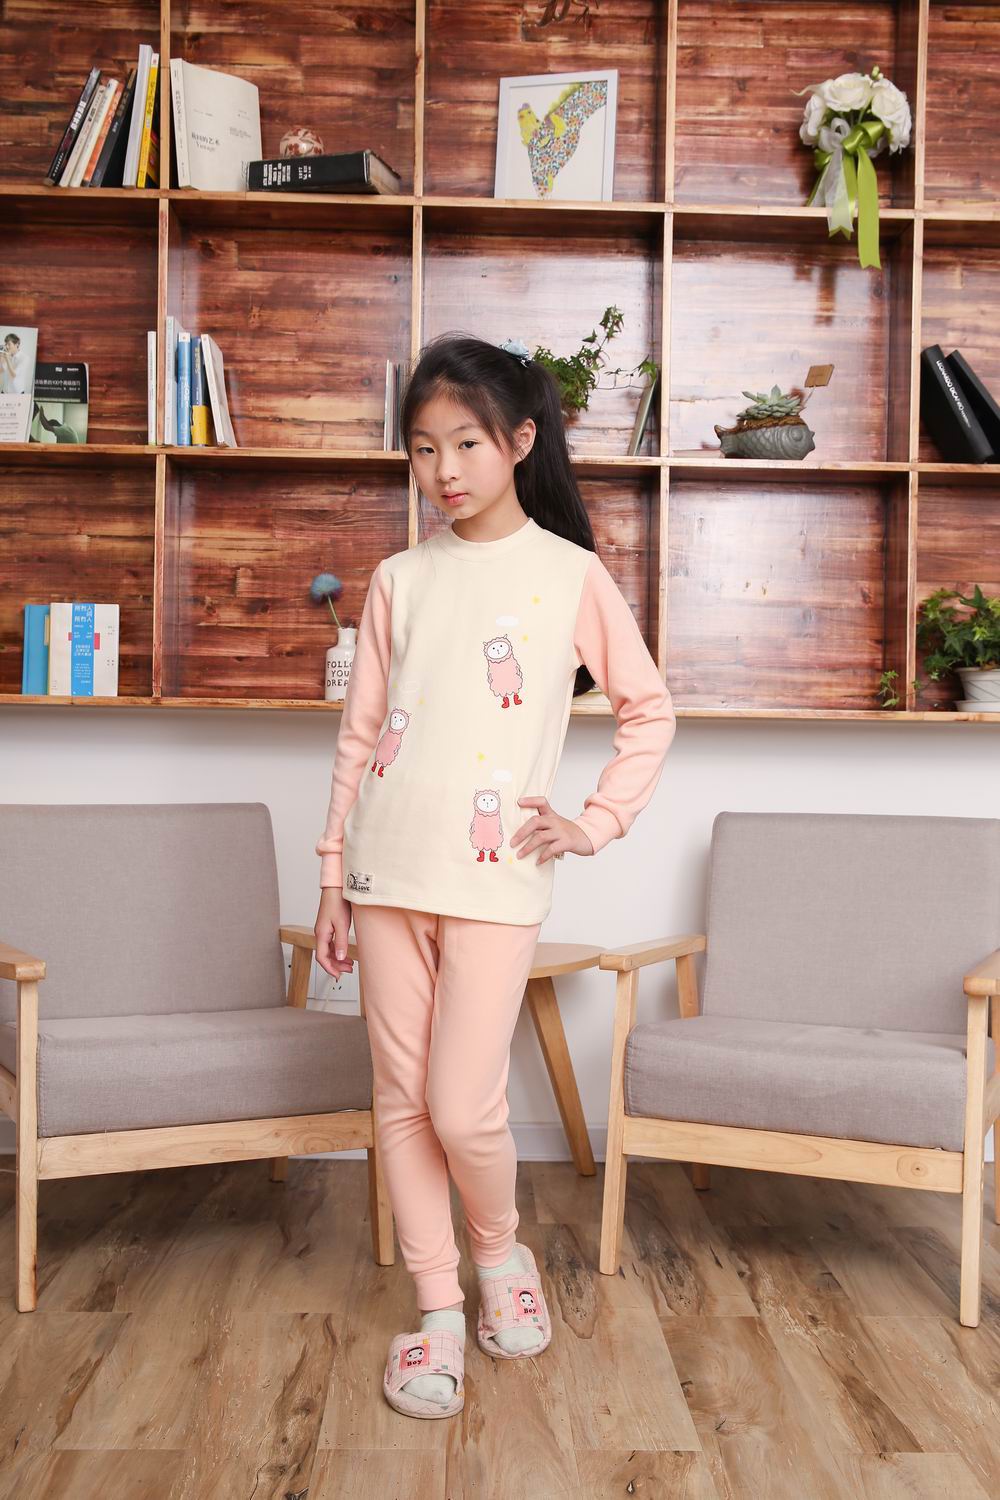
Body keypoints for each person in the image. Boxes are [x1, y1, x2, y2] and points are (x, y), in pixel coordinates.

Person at [314, 330, 676, 1420]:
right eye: (423, 449)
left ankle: (499, 1256)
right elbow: (358, 737)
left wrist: (593, 823)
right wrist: (331, 878)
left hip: (492, 881)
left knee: (461, 1108)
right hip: (383, 874)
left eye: (466, 443)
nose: (444, 470)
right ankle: (436, 1311)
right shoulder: (397, 579)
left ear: (519, 441)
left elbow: (648, 711)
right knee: (400, 1102)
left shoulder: (569, 576)